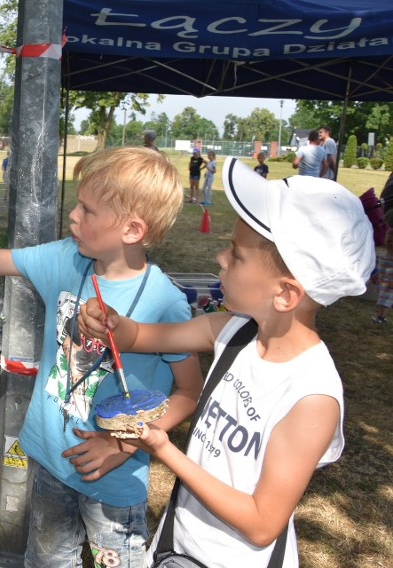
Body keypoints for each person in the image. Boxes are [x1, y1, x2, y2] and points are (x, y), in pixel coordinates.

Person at [0, 147, 203, 568]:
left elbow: (190, 391)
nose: (73, 216)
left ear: (133, 229)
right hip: (50, 462)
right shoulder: (65, 258)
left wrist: (121, 443)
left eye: (87, 208)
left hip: (113, 484)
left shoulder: (165, 303)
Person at [77, 157, 375, 567]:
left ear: (286, 294)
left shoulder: (311, 398)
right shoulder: (231, 331)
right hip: (180, 541)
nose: (219, 257)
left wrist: (164, 449)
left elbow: (261, 523)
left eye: (235, 255)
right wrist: (110, 321)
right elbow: (141, 336)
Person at [371, 228, 393, 324]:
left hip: (390, 284)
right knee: (383, 299)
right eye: (389, 241)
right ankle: (381, 316)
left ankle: (381, 317)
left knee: (384, 300)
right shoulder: (384, 255)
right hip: (384, 283)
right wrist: (376, 275)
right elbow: (381, 268)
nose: (391, 244)